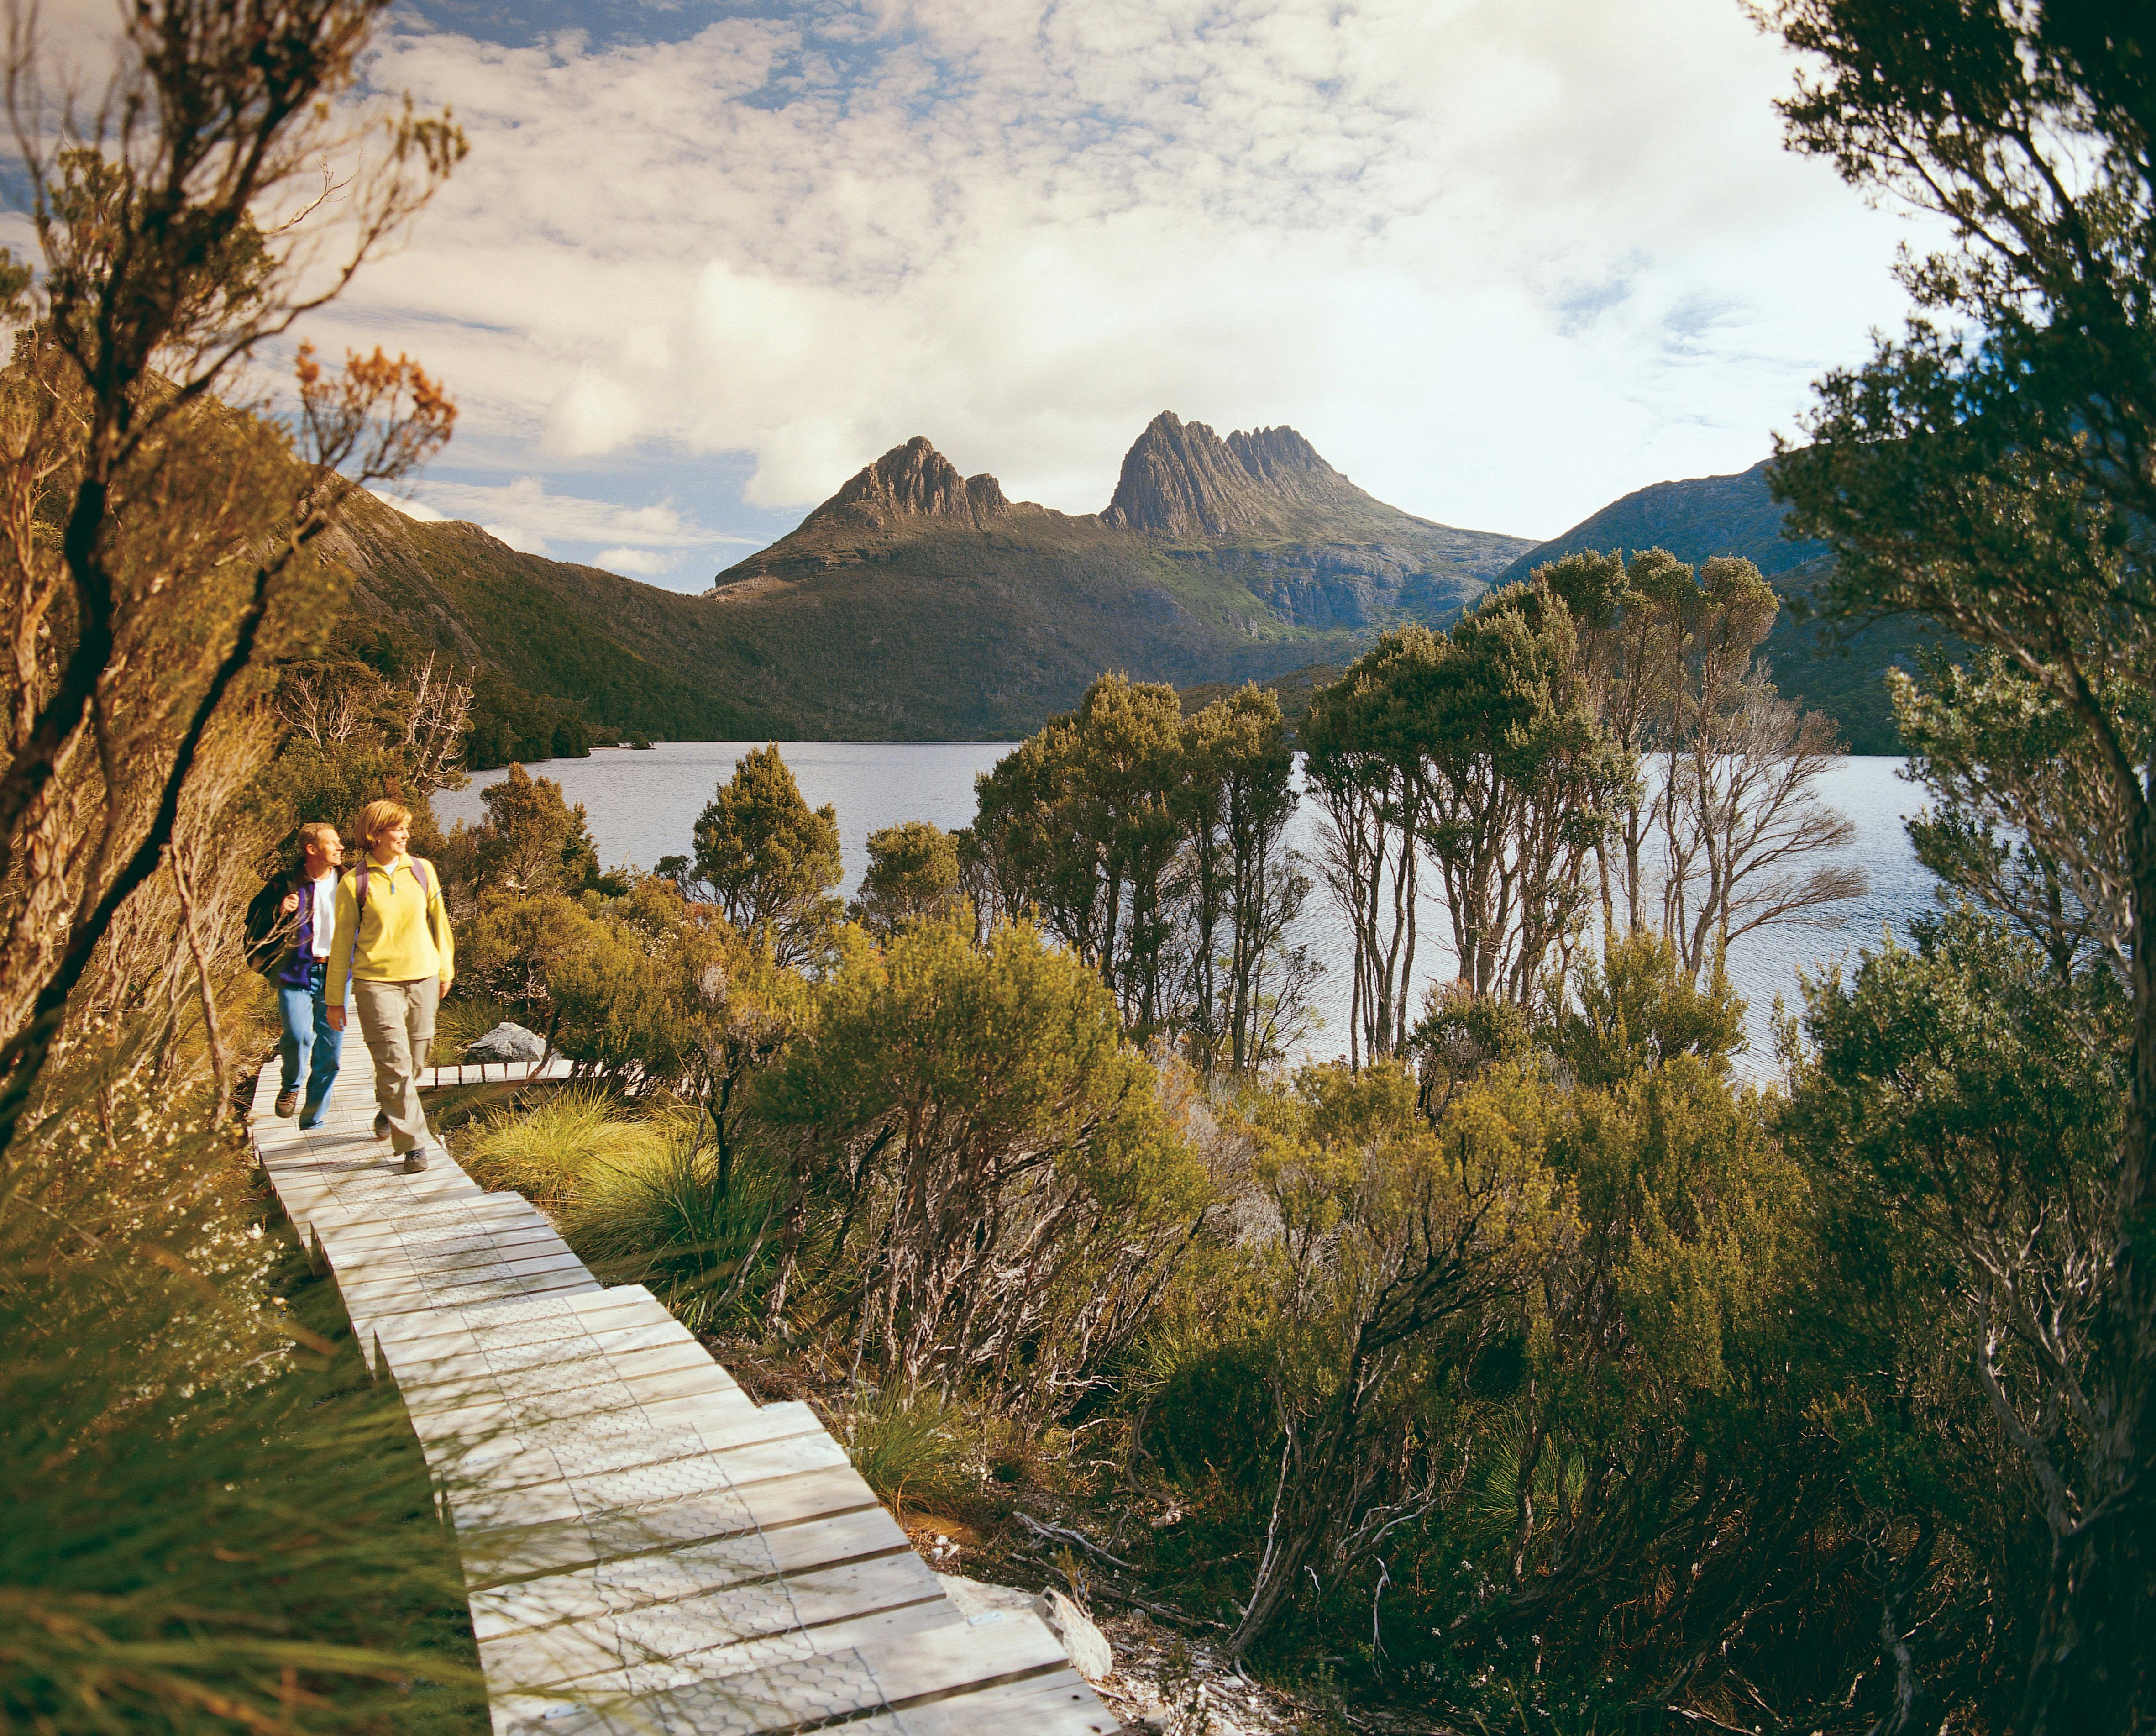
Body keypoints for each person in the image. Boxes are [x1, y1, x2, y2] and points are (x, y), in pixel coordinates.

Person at [325, 799, 454, 1173]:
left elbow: (440, 924)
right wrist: (335, 1000)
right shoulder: (354, 882)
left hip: (425, 977)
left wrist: (444, 968)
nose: (406, 834)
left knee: (416, 1058)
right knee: (394, 1063)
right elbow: (341, 945)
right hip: (375, 984)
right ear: (375, 834)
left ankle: (390, 1108)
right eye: (398, 828)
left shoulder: (423, 871)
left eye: (406, 828)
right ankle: (414, 1145)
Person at [247, 822, 346, 1128]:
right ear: (312, 850)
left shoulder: (349, 881)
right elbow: (253, 921)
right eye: (333, 843)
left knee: (330, 1051)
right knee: (299, 1034)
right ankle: (291, 1087)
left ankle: (313, 1120)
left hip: (336, 973)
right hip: (295, 972)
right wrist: (279, 909)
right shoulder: (286, 883)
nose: (341, 847)